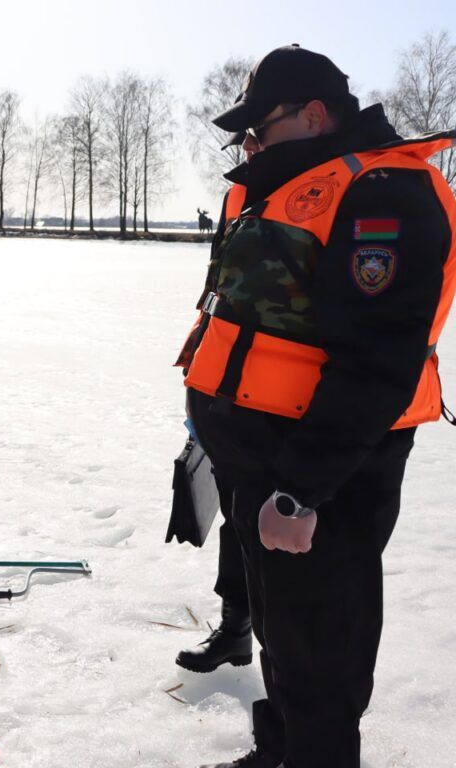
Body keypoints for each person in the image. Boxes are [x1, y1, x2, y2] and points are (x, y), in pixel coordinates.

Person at [176, 45, 456, 768]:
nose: (251, 144)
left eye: (260, 127)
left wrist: (300, 493)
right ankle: (279, 751)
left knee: (322, 657)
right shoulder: (294, 182)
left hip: (321, 471)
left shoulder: (383, 192)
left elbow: (378, 361)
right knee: (283, 633)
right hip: (260, 457)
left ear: (314, 114)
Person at [176, 133, 253, 676]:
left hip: (286, 401)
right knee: (237, 516)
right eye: (243, 138)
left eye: (257, 131)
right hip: (224, 384)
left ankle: (286, 672)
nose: (247, 146)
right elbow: (218, 287)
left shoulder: (325, 192)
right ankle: (236, 629)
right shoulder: (238, 195)